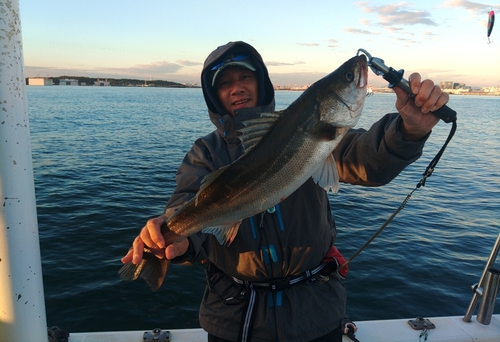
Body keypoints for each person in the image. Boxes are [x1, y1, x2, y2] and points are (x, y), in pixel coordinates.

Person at [121, 41, 449, 342]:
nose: (236, 88)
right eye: (224, 83)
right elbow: (188, 207)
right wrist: (176, 236)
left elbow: (365, 160)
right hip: (235, 321)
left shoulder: (313, 131)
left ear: (261, 82)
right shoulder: (205, 154)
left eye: (245, 77)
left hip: (315, 315)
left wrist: (408, 131)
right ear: (213, 94)